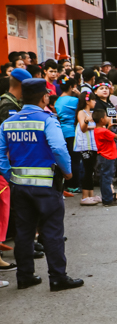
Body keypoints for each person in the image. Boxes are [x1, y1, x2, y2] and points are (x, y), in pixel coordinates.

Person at [0, 78, 83, 291]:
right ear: (44, 97)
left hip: (19, 185)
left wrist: (10, 175)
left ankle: (25, 276)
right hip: (46, 186)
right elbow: (58, 148)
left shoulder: (8, 122)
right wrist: (67, 171)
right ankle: (57, 277)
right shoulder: (47, 120)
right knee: (52, 231)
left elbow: (1, 154)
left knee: (24, 232)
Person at [54, 76, 81, 195]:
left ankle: (68, 184)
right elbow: (87, 104)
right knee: (75, 160)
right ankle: (74, 185)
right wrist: (79, 94)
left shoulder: (59, 100)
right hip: (72, 132)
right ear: (71, 87)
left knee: (68, 158)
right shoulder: (73, 100)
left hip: (63, 131)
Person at [92, 108, 117, 206]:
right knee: (107, 178)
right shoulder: (103, 131)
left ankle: (107, 198)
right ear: (102, 120)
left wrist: (109, 127)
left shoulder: (98, 130)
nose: (108, 118)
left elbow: (106, 135)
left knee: (104, 177)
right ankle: (107, 199)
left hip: (103, 156)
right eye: (106, 116)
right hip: (108, 156)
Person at [74, 91, 99, 205]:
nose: (95, 102)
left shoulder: (93, 113)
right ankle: (84, 196)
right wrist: (86, 121)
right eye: (93, 100)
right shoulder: (81, 112)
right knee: (87, 169)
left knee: (92, 169)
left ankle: (91, 195)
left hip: (93, 144)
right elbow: (83, 128)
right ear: (87, 101)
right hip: (85, 145)